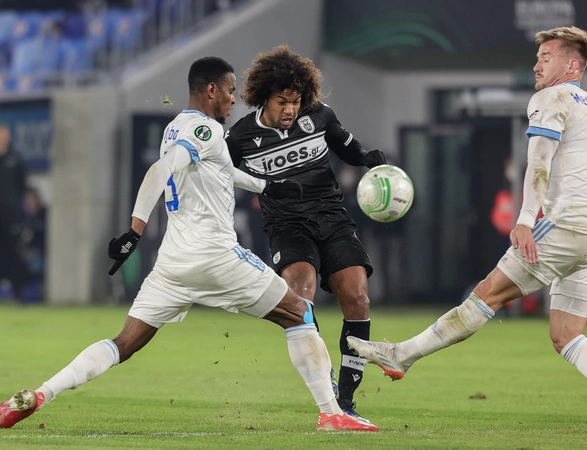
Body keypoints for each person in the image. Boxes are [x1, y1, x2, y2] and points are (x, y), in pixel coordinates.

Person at [0, 57, 377, 432]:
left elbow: (220, 170)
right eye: (230, 91)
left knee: (124, 342)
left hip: (172, 266)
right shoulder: (207, 130)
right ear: (212, 90)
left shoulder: (176, 127)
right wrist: (134, 230)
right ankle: (332, 413)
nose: (234, 99)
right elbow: (159, 170)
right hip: (216, 255)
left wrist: (267, 186)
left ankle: (40, 394)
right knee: (300, 314)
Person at [347, 26, 587, 390]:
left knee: (487, 294)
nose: (536, 66)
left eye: (546, 58)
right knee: (567, 335)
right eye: (537, 58)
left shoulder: (551, 98)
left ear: (572, 65)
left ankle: (401, 355)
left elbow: (538, 164)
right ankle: (401, 355)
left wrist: (525, 220)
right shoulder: (584, 102)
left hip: (568, 224)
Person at [225, 45, 387, 424]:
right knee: (301, 296)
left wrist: (367, 158)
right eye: (282, 102)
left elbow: (349, 148)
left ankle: (346, 401)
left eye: (296, 102)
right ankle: (322, 383)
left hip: (332, 218)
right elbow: (218, 172)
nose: (290, 110)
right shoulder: (241, 136)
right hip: (287, 226)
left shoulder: (320, 116)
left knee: (358, 298)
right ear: (264, 97)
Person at [0, 123, 27, 302]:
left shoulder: (16, 158)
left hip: (10, 216)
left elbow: (22, 187)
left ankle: (17, 294)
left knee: (14, 254)